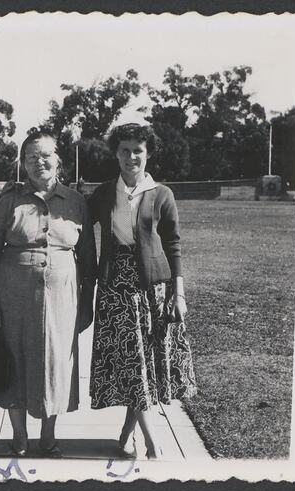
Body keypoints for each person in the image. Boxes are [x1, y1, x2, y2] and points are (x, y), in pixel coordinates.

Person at [0, 130, 96, 456]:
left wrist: (86, 304)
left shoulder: (75, 202)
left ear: (58, 160)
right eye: (31, 156)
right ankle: (19, 436)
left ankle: (48, 436)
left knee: (57, 363)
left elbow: (88, 260)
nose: (39, 162)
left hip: (63, 300)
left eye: (45, 155)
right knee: (13, 361)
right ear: (22, 163)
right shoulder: (9, 201)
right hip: (12, 295)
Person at [88, 123, 197, 459]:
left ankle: (126, 432)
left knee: (145, 364)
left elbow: (173, 243)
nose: (131, 156)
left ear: (148, 153)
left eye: (138, 150)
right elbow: (74, 219)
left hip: (154, 288)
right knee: (133, 364)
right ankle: (152, 443)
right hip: (116, 288)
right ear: (115, 154)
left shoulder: (162, 193)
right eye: (124, 150)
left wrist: (177, 293)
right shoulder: (105, 192)